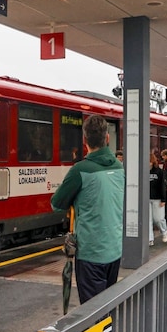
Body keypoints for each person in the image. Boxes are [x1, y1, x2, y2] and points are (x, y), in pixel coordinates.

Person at [51, 115, 124, 303]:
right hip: (114, 250)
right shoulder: (119, 167)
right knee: (107, 304)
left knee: (92, 311)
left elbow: (57, 204)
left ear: (85, 141)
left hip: (91, 253)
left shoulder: (80, 170)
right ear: (107, 138)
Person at [148, 152, 167, 246]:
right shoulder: (143, 171)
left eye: (149, 162)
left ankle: (164, 232)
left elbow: (162, 186)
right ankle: (149, 238)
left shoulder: (159, 172)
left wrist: (163, 199)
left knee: (158, 219)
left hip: (157, 198)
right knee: (147, 220)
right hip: (146, 198)